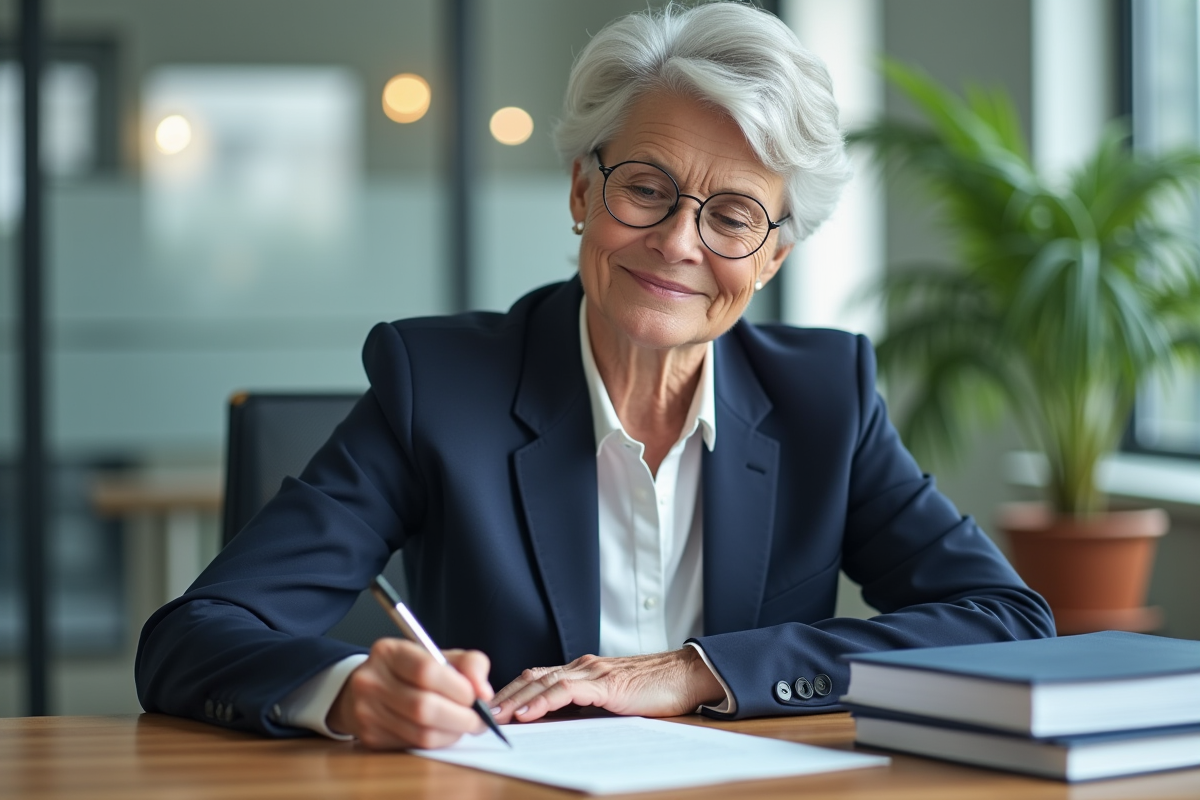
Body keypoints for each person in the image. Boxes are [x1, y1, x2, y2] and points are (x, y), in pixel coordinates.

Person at [135, 2, 1054, 751]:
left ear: (771, 258)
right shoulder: (439, 386)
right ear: (582, 192)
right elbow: (191, 638)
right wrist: (346, 691)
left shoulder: (827, 397)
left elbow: (1007, 624)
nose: (678, 243)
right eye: (647, 188)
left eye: (732, 216)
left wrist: (698, 670)